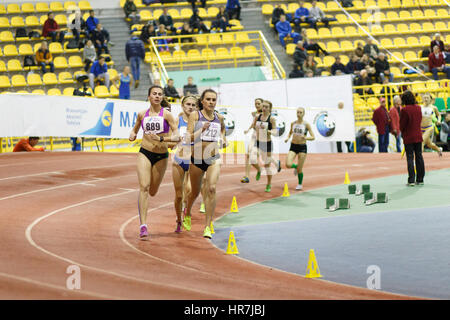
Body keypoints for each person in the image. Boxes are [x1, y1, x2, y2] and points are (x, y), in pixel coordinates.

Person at [128, 85, 180, 240]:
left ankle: (144, 221)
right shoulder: (141, 114)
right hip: (145, 152)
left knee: (153, 191)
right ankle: (143, 225)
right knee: (144, 187)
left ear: (162, 97)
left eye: (160, 94)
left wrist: (162, 138)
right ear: (149, 96)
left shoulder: (167, 115)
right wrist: (132, 135)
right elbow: (134, 131)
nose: (157, 96)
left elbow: (177, 136)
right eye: (154, 94)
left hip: (161, 155)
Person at [183, 89, 227, 239]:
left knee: (212, 188)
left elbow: (222, 130)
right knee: (194, 193)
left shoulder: (219, 117)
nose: (211, 102)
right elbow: (188, 138)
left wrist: (224, 139)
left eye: (213, 100)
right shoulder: (195, 116)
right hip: (197, 159)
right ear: (202, 101)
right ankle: (187, 212)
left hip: (213, 157)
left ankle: (208, 226)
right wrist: (201, 129)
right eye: (208, 99)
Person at [171, 95, 197, 233]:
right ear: (182, 105)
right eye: (188, 104)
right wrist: (172, 142)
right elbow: (171, 141)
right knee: (179, 195)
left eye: (193, 105)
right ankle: (178, 219)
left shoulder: (199, 122)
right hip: (179, 159)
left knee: (190, 191)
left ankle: (187, 211)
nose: (190, 107)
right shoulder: (177, 121)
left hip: (194, 160)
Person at [247, 100, 281, 192]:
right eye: (263, 106)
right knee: (252, 159)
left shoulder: (271, 119)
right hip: (258, 142)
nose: (264, 108)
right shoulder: (258, 116)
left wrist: (269, 131)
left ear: (270, 109)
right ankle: (259, 170)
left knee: (267, 166)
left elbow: (275, 131)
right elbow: (254, 126)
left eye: (266, 107)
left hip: (267, 144)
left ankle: (269, 183)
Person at [284, 107, 315, 190]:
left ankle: (300, 184)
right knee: (288, 164)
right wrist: (287, 138)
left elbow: (313, 137)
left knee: (300, 170)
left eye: (300, 112)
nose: (298, 114)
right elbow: (290, 132)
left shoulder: (306, 124)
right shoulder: (293, 123)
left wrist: (306, 138)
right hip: (293, 146)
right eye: (297, 112)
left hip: (302, 147)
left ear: (303, 114)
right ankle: (296, 167)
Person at [400, 90, 425, 186]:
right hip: (418, 135)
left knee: (410, 157)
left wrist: (402, 131)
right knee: (419, 156)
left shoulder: (404, 110)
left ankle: (411, 180)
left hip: (408, 137)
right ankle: (420, 179)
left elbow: (402, 125)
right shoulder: (418, 108)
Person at [241, 98, 263, 183]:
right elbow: (253, 123)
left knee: (253, 158)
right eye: (255, 104)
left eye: (258, 104)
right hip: (254, 136)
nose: (257, 105)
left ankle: (259, 169)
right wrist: (248, 129)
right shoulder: (254, 114)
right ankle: (246, 176)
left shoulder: (266, 114)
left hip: (262, 138)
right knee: (248, 155)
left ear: (262, 104)